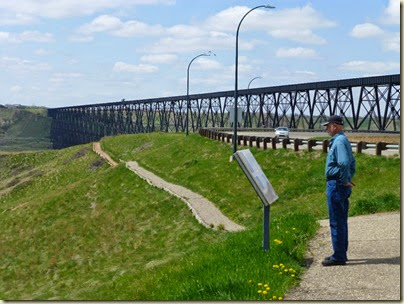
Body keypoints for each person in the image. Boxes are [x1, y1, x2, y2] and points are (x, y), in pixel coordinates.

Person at [321, 115, 356, 266]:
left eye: (327, 126)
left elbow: (344, 162)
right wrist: (348, 177)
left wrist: (344, 180)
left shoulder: (339, 141)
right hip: (340, 184)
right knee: (341, 220)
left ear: (334, 126)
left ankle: (339, 256)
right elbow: (351, 163)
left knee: (336, 221)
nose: (326, 129)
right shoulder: (342, 140)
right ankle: (340, 252)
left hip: (336, 185)